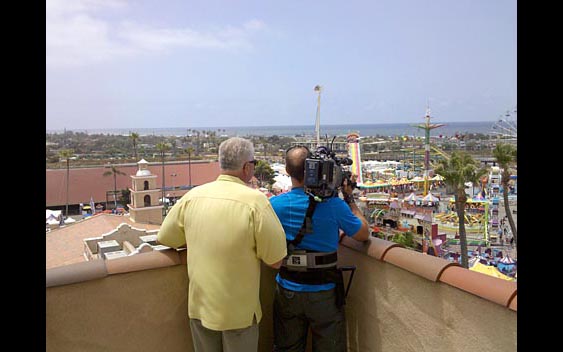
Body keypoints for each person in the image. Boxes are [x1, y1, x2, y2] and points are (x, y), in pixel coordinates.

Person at [157, 137, 287, 352]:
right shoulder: (255, 202)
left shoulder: (193, 196)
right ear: (247, 167)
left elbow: (166, 237)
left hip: (200, 308)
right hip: (238, 314)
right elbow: (275, 260)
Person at [269, 145, 370, 352]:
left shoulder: (274, 205)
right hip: (324, 291)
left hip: (288, 287)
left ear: (287, 171)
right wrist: (348, 197)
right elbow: (362, 234)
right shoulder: (333, 205)